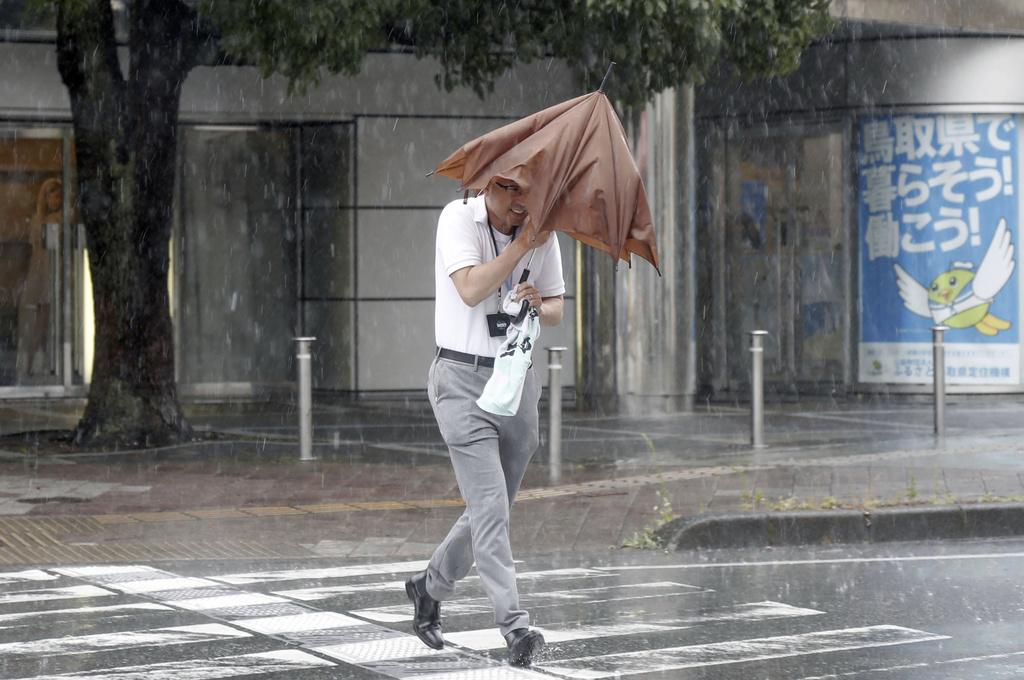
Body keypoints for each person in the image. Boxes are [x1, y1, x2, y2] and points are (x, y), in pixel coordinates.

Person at [407, 176, 564, 667]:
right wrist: (521, 246)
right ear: (485, 186)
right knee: (491, 504)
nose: (521, 202)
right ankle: (516, 629)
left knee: (490, 508)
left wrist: (540, 302)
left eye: (527, 193)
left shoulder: (544, 232)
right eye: (511, 190)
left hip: (515, 378)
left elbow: (557, 306)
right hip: (459, 379)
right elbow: (472, 288)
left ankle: (429, 586)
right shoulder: (457, 218)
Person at [18, 177, 61, 381]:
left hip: (52, 270)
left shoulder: (59, 219)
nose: (55, 201)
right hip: (39, 269)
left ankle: (37, 360)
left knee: (45, 318)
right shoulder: (37, 219)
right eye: (51, 196)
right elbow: (34, 245)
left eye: (58, 196)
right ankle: (31, 361)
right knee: (36, 317)